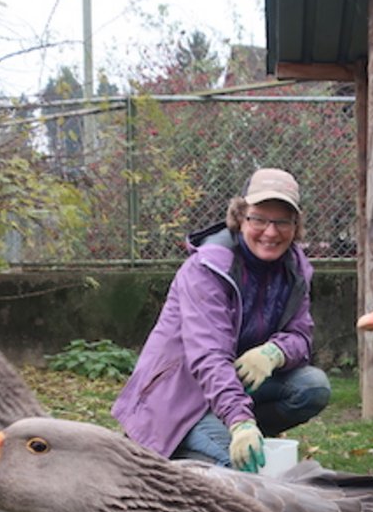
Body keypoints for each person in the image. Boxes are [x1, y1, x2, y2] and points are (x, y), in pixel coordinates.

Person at [111, 168, 331, 473]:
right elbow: (209, 357)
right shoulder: (205, 269)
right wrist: (240, 422)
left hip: (232, 387)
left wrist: (274, 352)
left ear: (296, 225)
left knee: (312, 387)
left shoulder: (295, 269)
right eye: (259, 219)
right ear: (240, 217)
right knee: (241, 470)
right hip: (182, 398)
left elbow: (301, 335)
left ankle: (232, 434)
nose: (271, 232)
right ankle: (185, 446)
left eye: (282, 221)